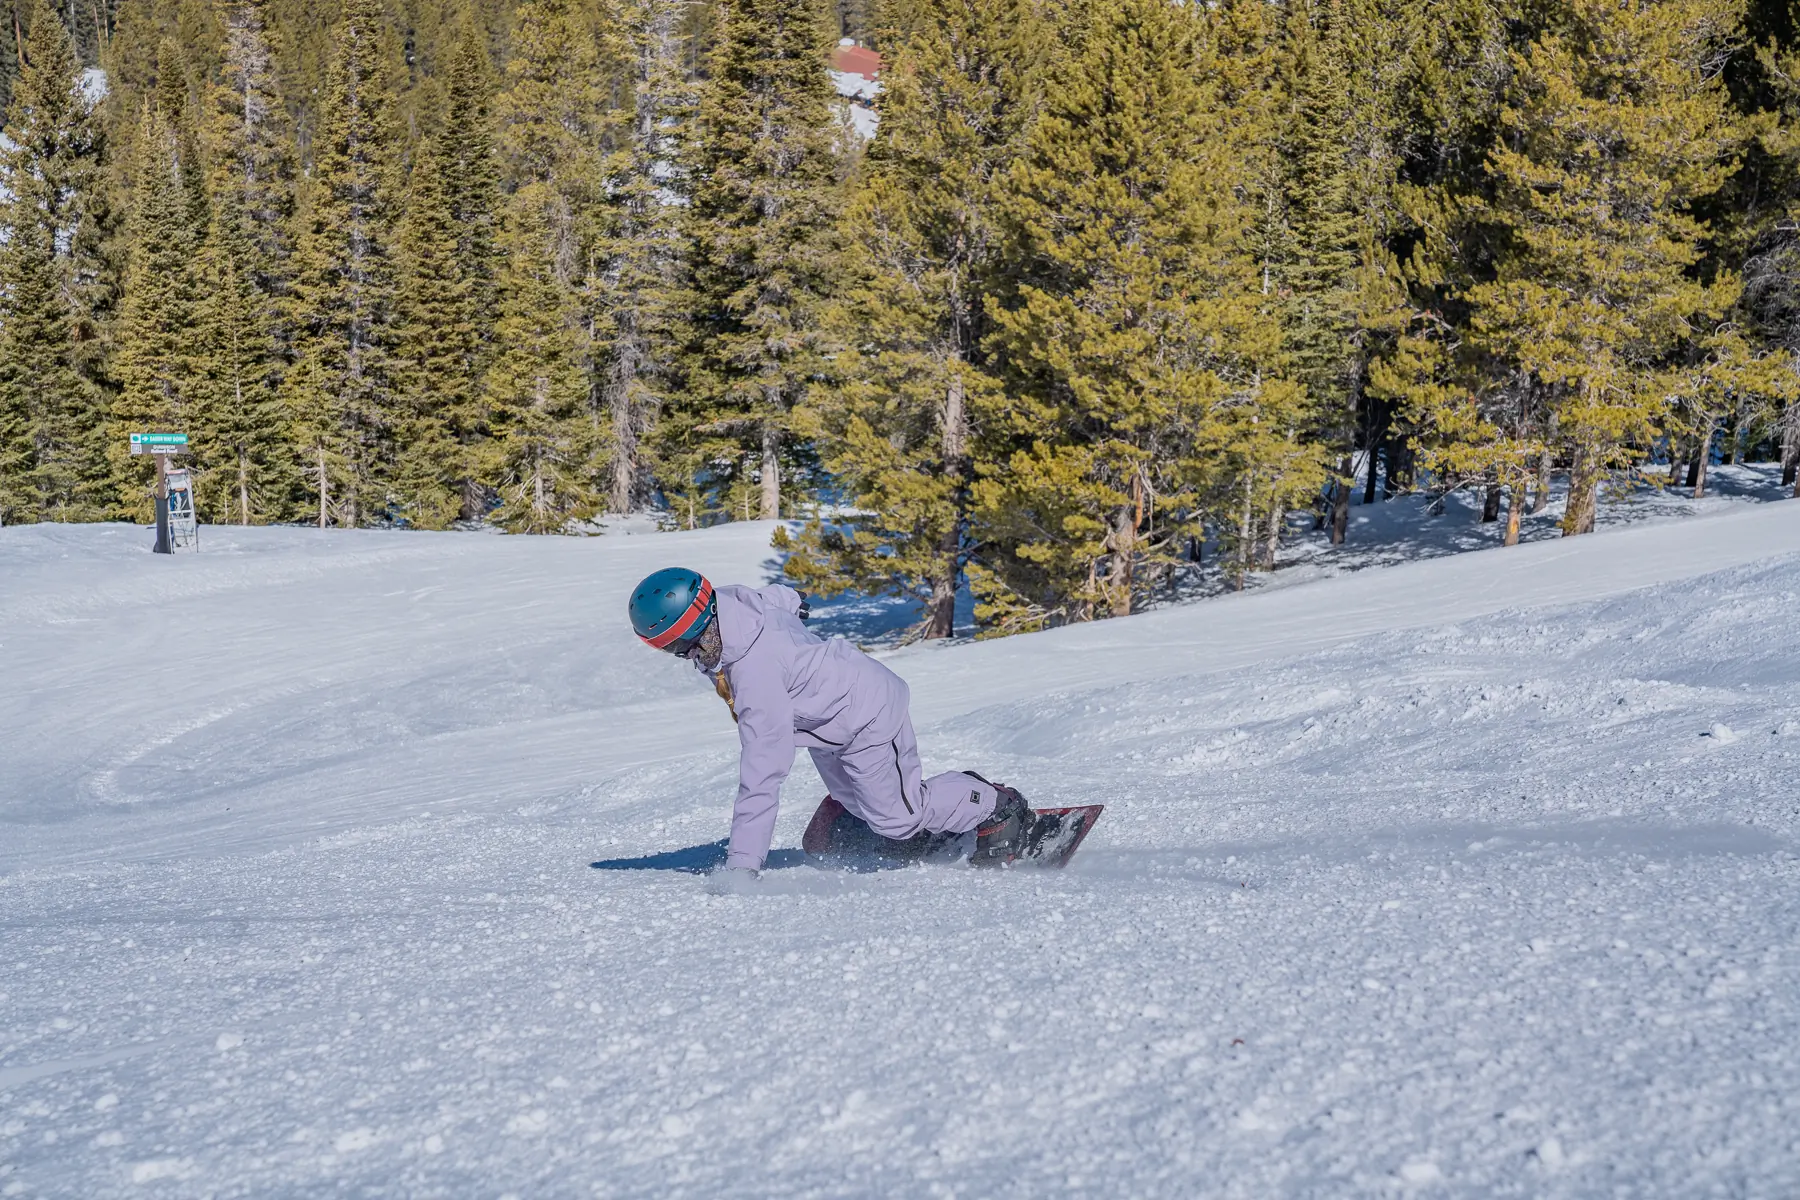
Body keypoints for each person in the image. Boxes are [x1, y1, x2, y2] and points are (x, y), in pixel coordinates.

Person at [628, 567, 1033, 889]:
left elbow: (762, 774)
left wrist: (742, 865)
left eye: (667, 646)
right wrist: (794, 599)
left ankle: (992, 804)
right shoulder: (731, 607)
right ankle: (915, 819)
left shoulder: (754, 673)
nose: (674, 655)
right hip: (825, 725)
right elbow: (774, 597)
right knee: (863, 807)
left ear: (682, 636)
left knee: (896, 819)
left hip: (868, 714)